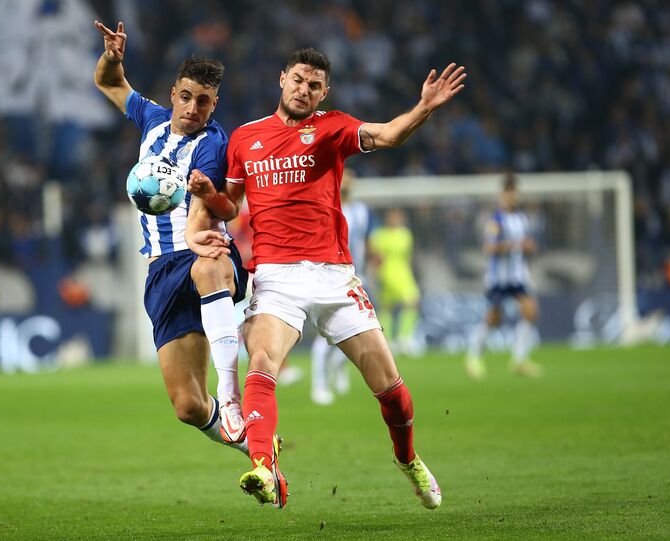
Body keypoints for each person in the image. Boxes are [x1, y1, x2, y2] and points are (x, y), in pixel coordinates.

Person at [186, 48, 466, 509]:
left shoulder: (333, 127)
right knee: (262, 361)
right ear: (282, 79)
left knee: (391, 389)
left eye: (314, 85)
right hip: (276, 277)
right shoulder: (246, 138)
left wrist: (424, 108)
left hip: (334, 277)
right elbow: (231, 208)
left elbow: (390, 134)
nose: (304, 90)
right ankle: (262, 465)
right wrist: (210, 193)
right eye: (298, 80)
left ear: (324, 92)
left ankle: (408, 458)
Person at [93, 20, 251, 454]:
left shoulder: (212, 145)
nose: (193, 108)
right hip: (161, 268)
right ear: (172, 95)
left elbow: (204, 211)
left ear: (213, 105)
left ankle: (234, 398)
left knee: (210, 264)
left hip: (200, 249)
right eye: (186, 97)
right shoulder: (152, 120)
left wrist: (196, 234)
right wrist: (113, 56)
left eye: (204, 101)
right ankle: (256, 447)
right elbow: (109, 83)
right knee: (189, 406)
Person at [466, 173, 543, 379]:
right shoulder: (496, 220)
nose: (511, 197)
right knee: (493, 318)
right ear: (502, 195)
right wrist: (515, 245)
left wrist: (529, 247)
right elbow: (489, 247)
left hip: (517, 276)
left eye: (514, 193)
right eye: (508, 193)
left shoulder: (522, 219)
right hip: (498, 278)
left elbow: (526, 245)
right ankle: (473, 357)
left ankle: (519, 360)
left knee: (530, 310)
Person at [309, 168, 369, 405]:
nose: (348, 180)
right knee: (324, 336)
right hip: (329, 276)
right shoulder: (323, 205)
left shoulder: (361, 211)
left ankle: (339, 365)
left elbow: (365, 241)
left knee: (365, 329)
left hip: (356, 275)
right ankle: (319, 385)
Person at [369, 207, 422, 356]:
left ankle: (402, 337)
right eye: (392, 216)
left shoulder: (406, 234)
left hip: (404, 272)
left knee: (411, 302)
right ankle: (393, 339)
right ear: (387, 218)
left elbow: (409, 256)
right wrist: (377, 274)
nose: (395, 219)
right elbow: (375, 258)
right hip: (387, 273)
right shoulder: (380, 235)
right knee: (388, 307)